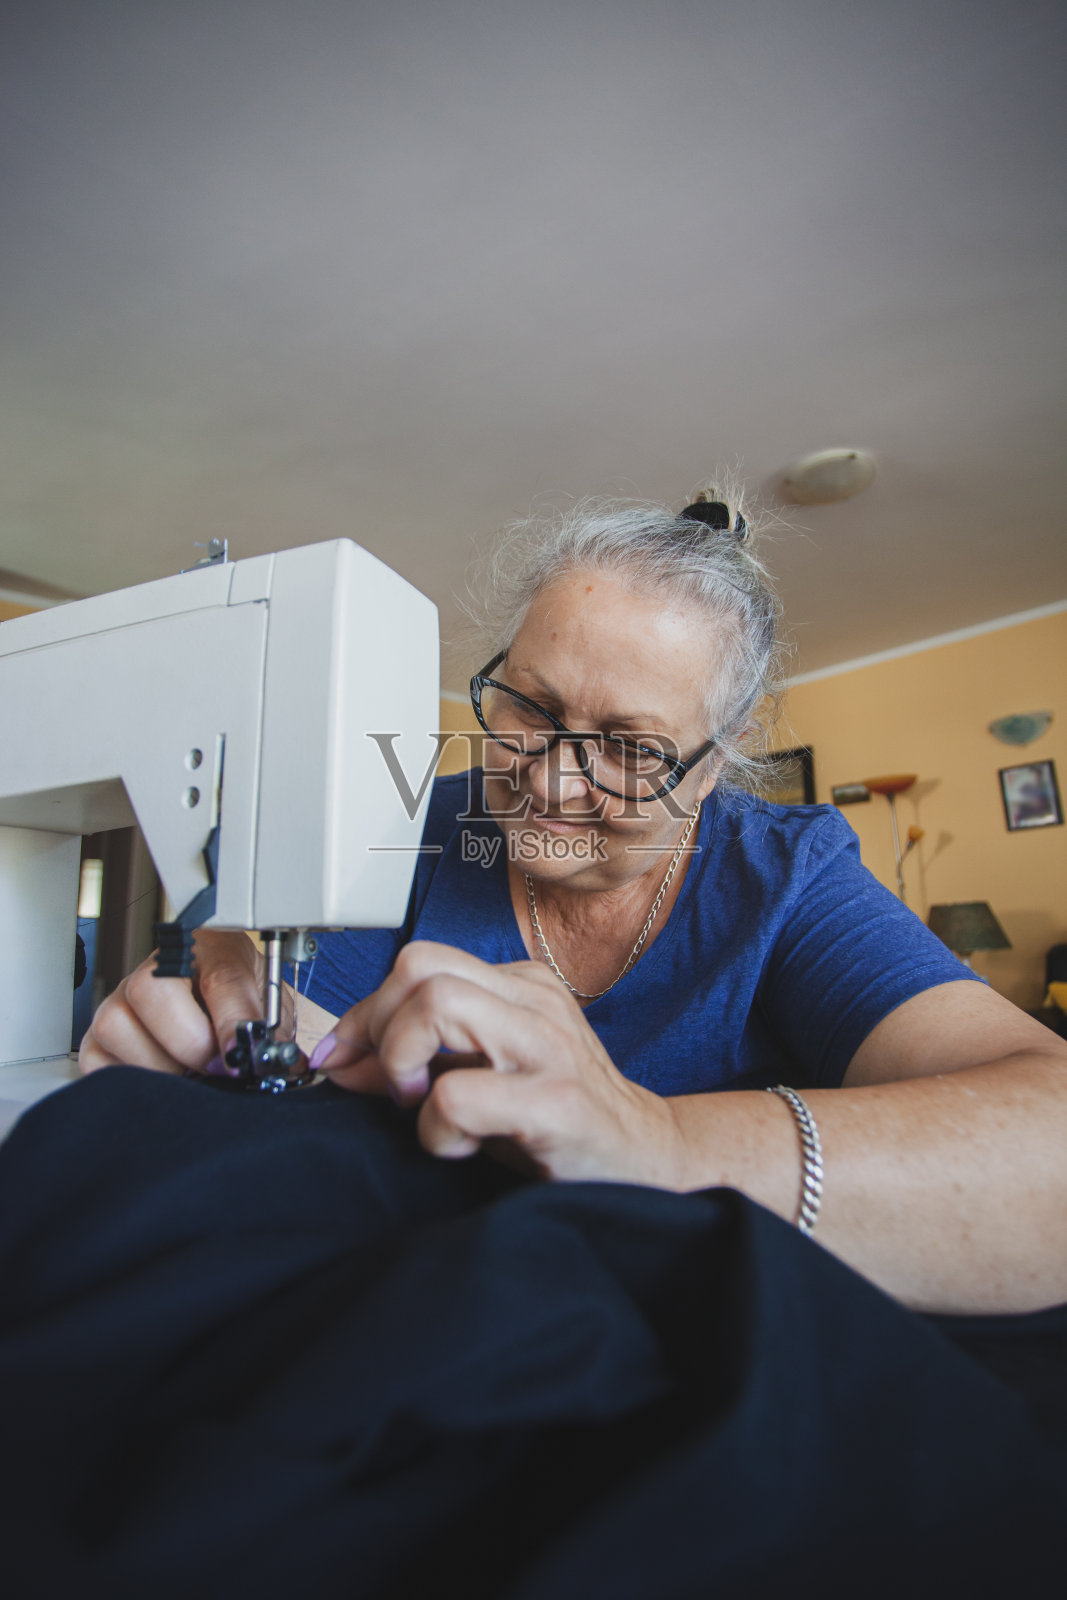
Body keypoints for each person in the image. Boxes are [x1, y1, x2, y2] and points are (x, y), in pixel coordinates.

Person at [79, 487, 1067, 1318]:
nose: (548, 785)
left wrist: (661, 1143)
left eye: (632, 750)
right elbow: (306, 1055)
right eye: (528, 709)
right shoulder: (412, 831)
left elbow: (1045, 1138)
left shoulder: (784, 877)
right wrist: (221, 1012)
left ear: (710, 766)